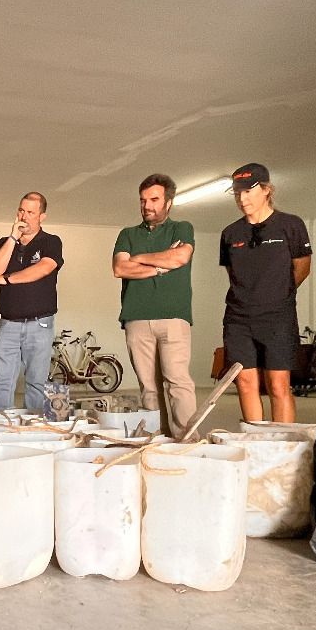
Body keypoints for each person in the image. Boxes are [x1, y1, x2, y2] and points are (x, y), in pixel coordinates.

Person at [219, 163, 312, 422]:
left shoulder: (290, 225)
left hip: (277, 318)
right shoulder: (230, 234)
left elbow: (302, 268)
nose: (242, 198)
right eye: (237, 193)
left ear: (267, 190)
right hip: (238, 319)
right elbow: (234, 275)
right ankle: (256, 441)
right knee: (245, 383)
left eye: (249, 191)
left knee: (278, 385)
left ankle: (282, 446)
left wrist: (276, 294)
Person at [112, 174, 197, 438]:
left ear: (168, 202)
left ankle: (187, 440)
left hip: (174, 318)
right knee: (149, 388)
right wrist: (161, 266)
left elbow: (181, 256)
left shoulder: (182, 228)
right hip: (136, 319)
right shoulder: (127, 234)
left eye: (154, 199)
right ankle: (156, 440)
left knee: (178, 383)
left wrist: (140, 259)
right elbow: (119, 268)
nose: (147, 205)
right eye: (143, 200)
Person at [0, 192, 64, 411]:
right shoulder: (4, 243)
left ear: (42, 216)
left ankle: (34, 431)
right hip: (8, 323)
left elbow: (43, 268)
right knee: (3, 382)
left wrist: (7, 280)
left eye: (31, 212)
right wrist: (12, 238)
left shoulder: (51, 242)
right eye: (21, 210)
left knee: (36, 383)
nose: (25, 216)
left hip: (40, 323)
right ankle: (2, 431)